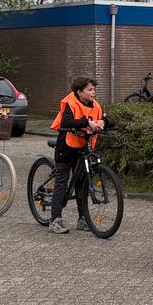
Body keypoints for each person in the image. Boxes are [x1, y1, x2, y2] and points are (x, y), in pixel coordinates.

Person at [46, 77, 108, 235]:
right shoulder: (70, 103)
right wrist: (87, 123)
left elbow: (107, 120)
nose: (93, 92)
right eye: (90, 89)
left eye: (94, 89)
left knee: (82, 183)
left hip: (82, 149)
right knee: (62, 182)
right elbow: (67, 122)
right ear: (79, 92)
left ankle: (82, 219)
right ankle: (55, 220)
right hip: (66, 148)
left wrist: (103, 123)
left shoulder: (96, 106)